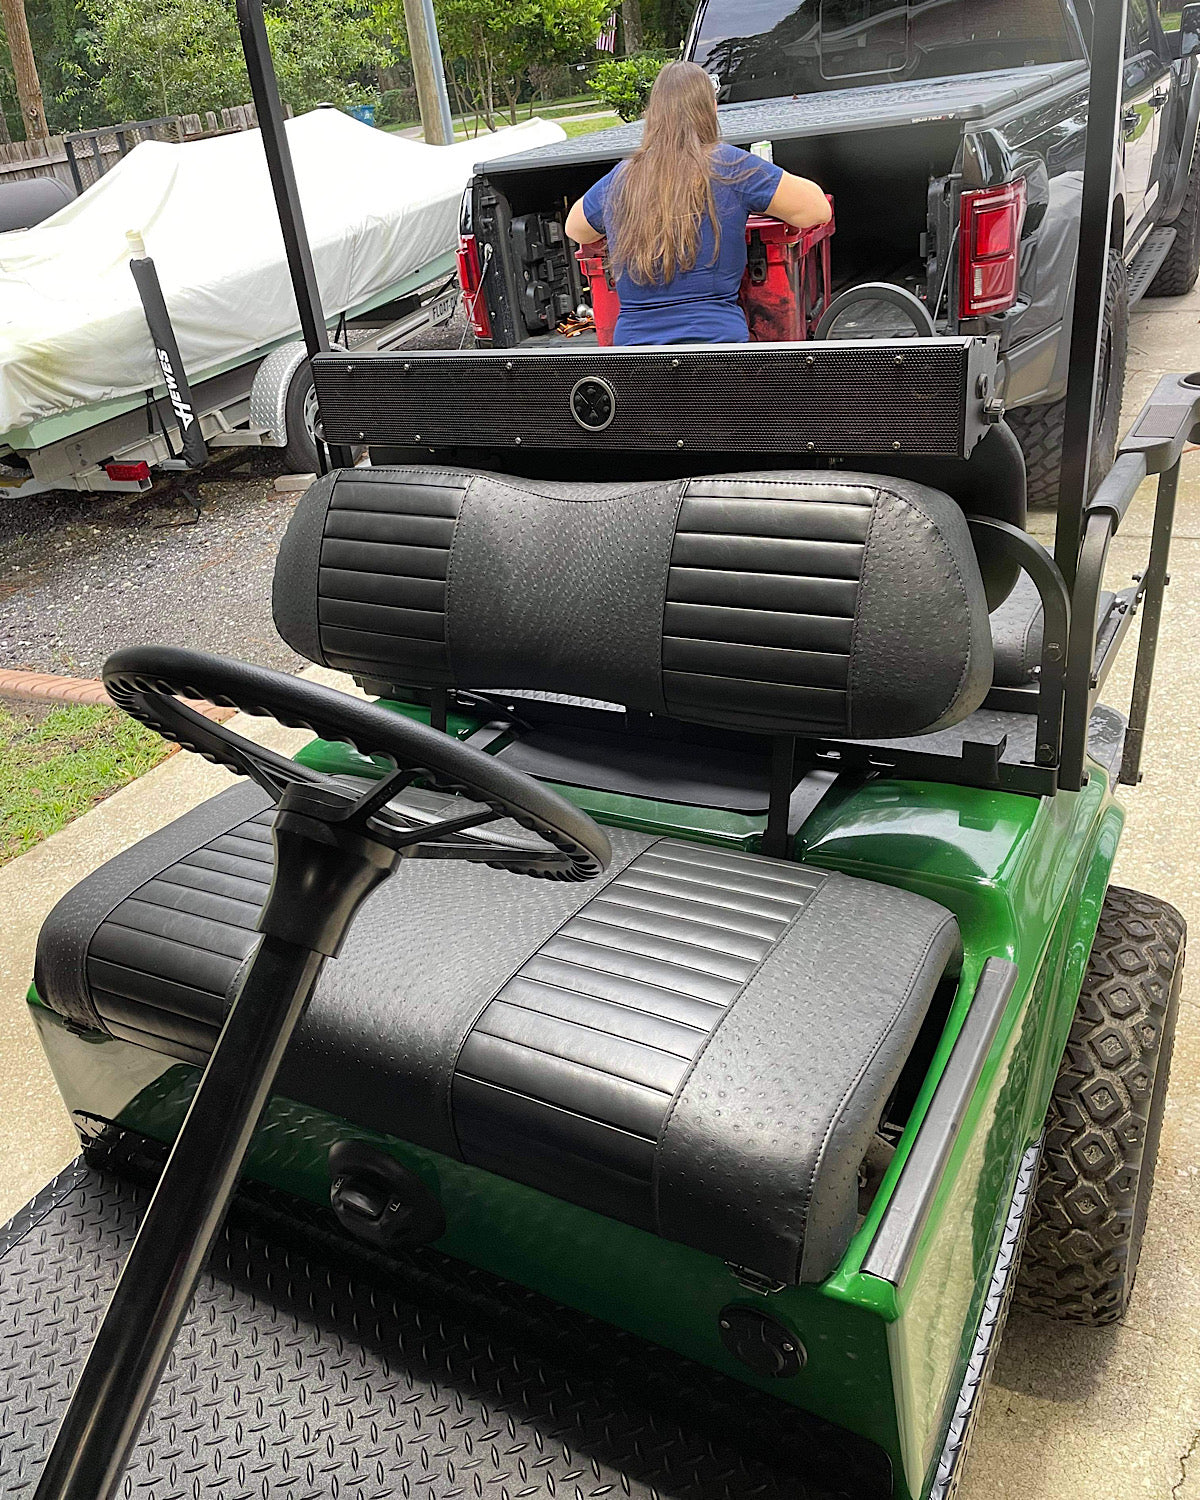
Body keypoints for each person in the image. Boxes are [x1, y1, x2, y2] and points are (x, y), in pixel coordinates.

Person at [564, 61, 830, 346]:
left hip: (635, 359)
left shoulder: (623, 176)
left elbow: (575, 229)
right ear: (711, 111)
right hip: (716, 352)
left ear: (653, 116)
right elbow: (817, 209)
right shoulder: (730, 166)